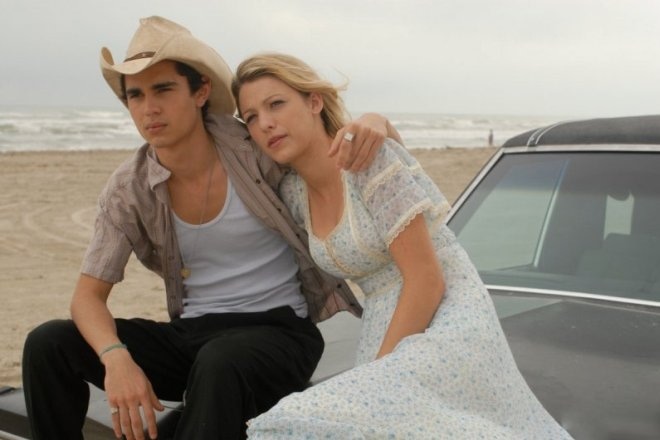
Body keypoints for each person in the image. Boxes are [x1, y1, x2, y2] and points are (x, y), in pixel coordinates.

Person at [21, 17, 399, 440]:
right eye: (135, 95)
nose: (149, 108)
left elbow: (321, 142)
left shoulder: (251, 149)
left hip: (280, 333)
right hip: (192, 337)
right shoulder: (129, 189)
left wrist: (376, 122)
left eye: (163, 89)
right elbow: (87, 298)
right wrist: (116, 357)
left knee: (220, 360)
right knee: (48, 343)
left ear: (200, 92)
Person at [232, 53, 574, 439]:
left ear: (314, 102)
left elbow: (427, 278)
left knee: (295, 422)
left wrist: (375, 380)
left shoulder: (368, 160)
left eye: (276, 104)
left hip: (446, 313)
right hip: (382, 323)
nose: (266, 123)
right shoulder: (293, 194)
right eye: (251, 117)